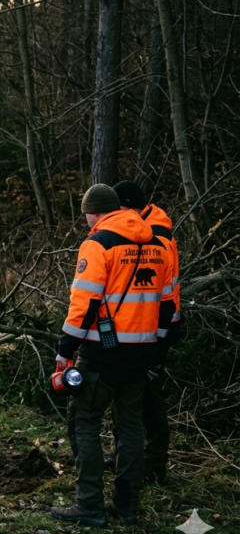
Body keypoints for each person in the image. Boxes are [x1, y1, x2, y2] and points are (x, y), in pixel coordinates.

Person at [51, 184, 174, 527]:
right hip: (143, 353)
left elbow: (84, 303)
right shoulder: (157, 243)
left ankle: (89, 504)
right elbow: (167, 304)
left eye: (86, 213)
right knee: (131, 426)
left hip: (102, 354)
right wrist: (157, 345)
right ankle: (127, 506)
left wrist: (65, 349)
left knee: (84, 422)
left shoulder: (98, 243)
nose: (86, 219)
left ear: (96, 212)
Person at [113, 181, 181, 484]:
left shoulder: (157, 238)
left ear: (128, 206)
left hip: (158, 328)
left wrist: (160, 338)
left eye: (118, 208)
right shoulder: (143, 228)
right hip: (144, 325)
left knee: (149, 398)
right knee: (128, 394)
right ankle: (125, 456)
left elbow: (164, 294)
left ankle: (154, 466)